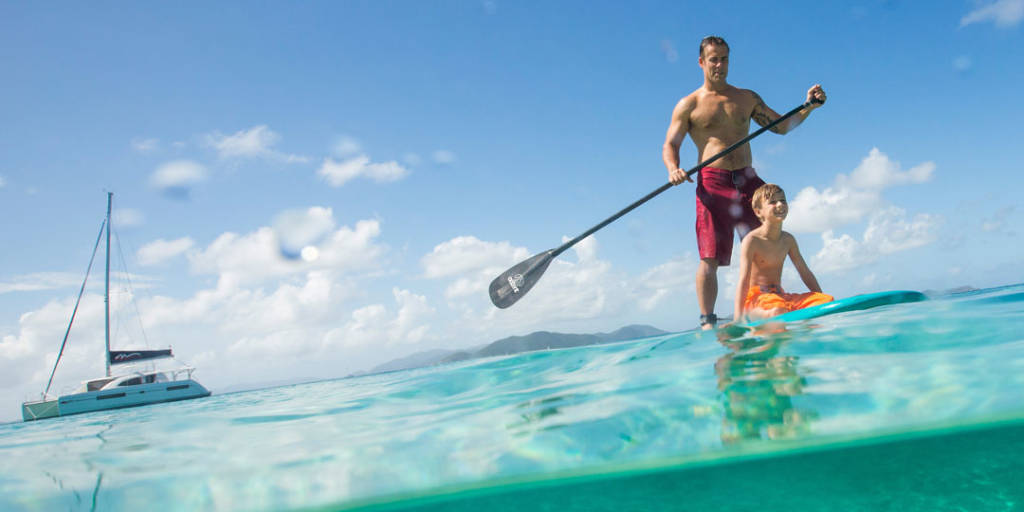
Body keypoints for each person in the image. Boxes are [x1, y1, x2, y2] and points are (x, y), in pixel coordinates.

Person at [662, 35, 826, 329]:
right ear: (701, 62)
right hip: (712, 182)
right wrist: (673, 168)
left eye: (724, 58)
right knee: (710, 257)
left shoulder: (746, 98)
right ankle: (707, 320)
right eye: (713, 59)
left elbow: (781, 126)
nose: (720, 65)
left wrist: (807, 107)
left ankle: (765, 301)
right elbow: (670, 145)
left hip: (748, 180)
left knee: (763, 247)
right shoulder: (689, 105)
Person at [732, 183, 833, 323]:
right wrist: (738, 319)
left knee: (827, 300)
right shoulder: (751, 241)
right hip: (757, 298)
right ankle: (751, 315)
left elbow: (804, 272)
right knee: (778, 310)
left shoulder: (788, 240)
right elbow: (743, 280)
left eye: (783, 200)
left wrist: (823, 301)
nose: (780, 204)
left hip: (781, 296)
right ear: (758, 211)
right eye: (773, 202)